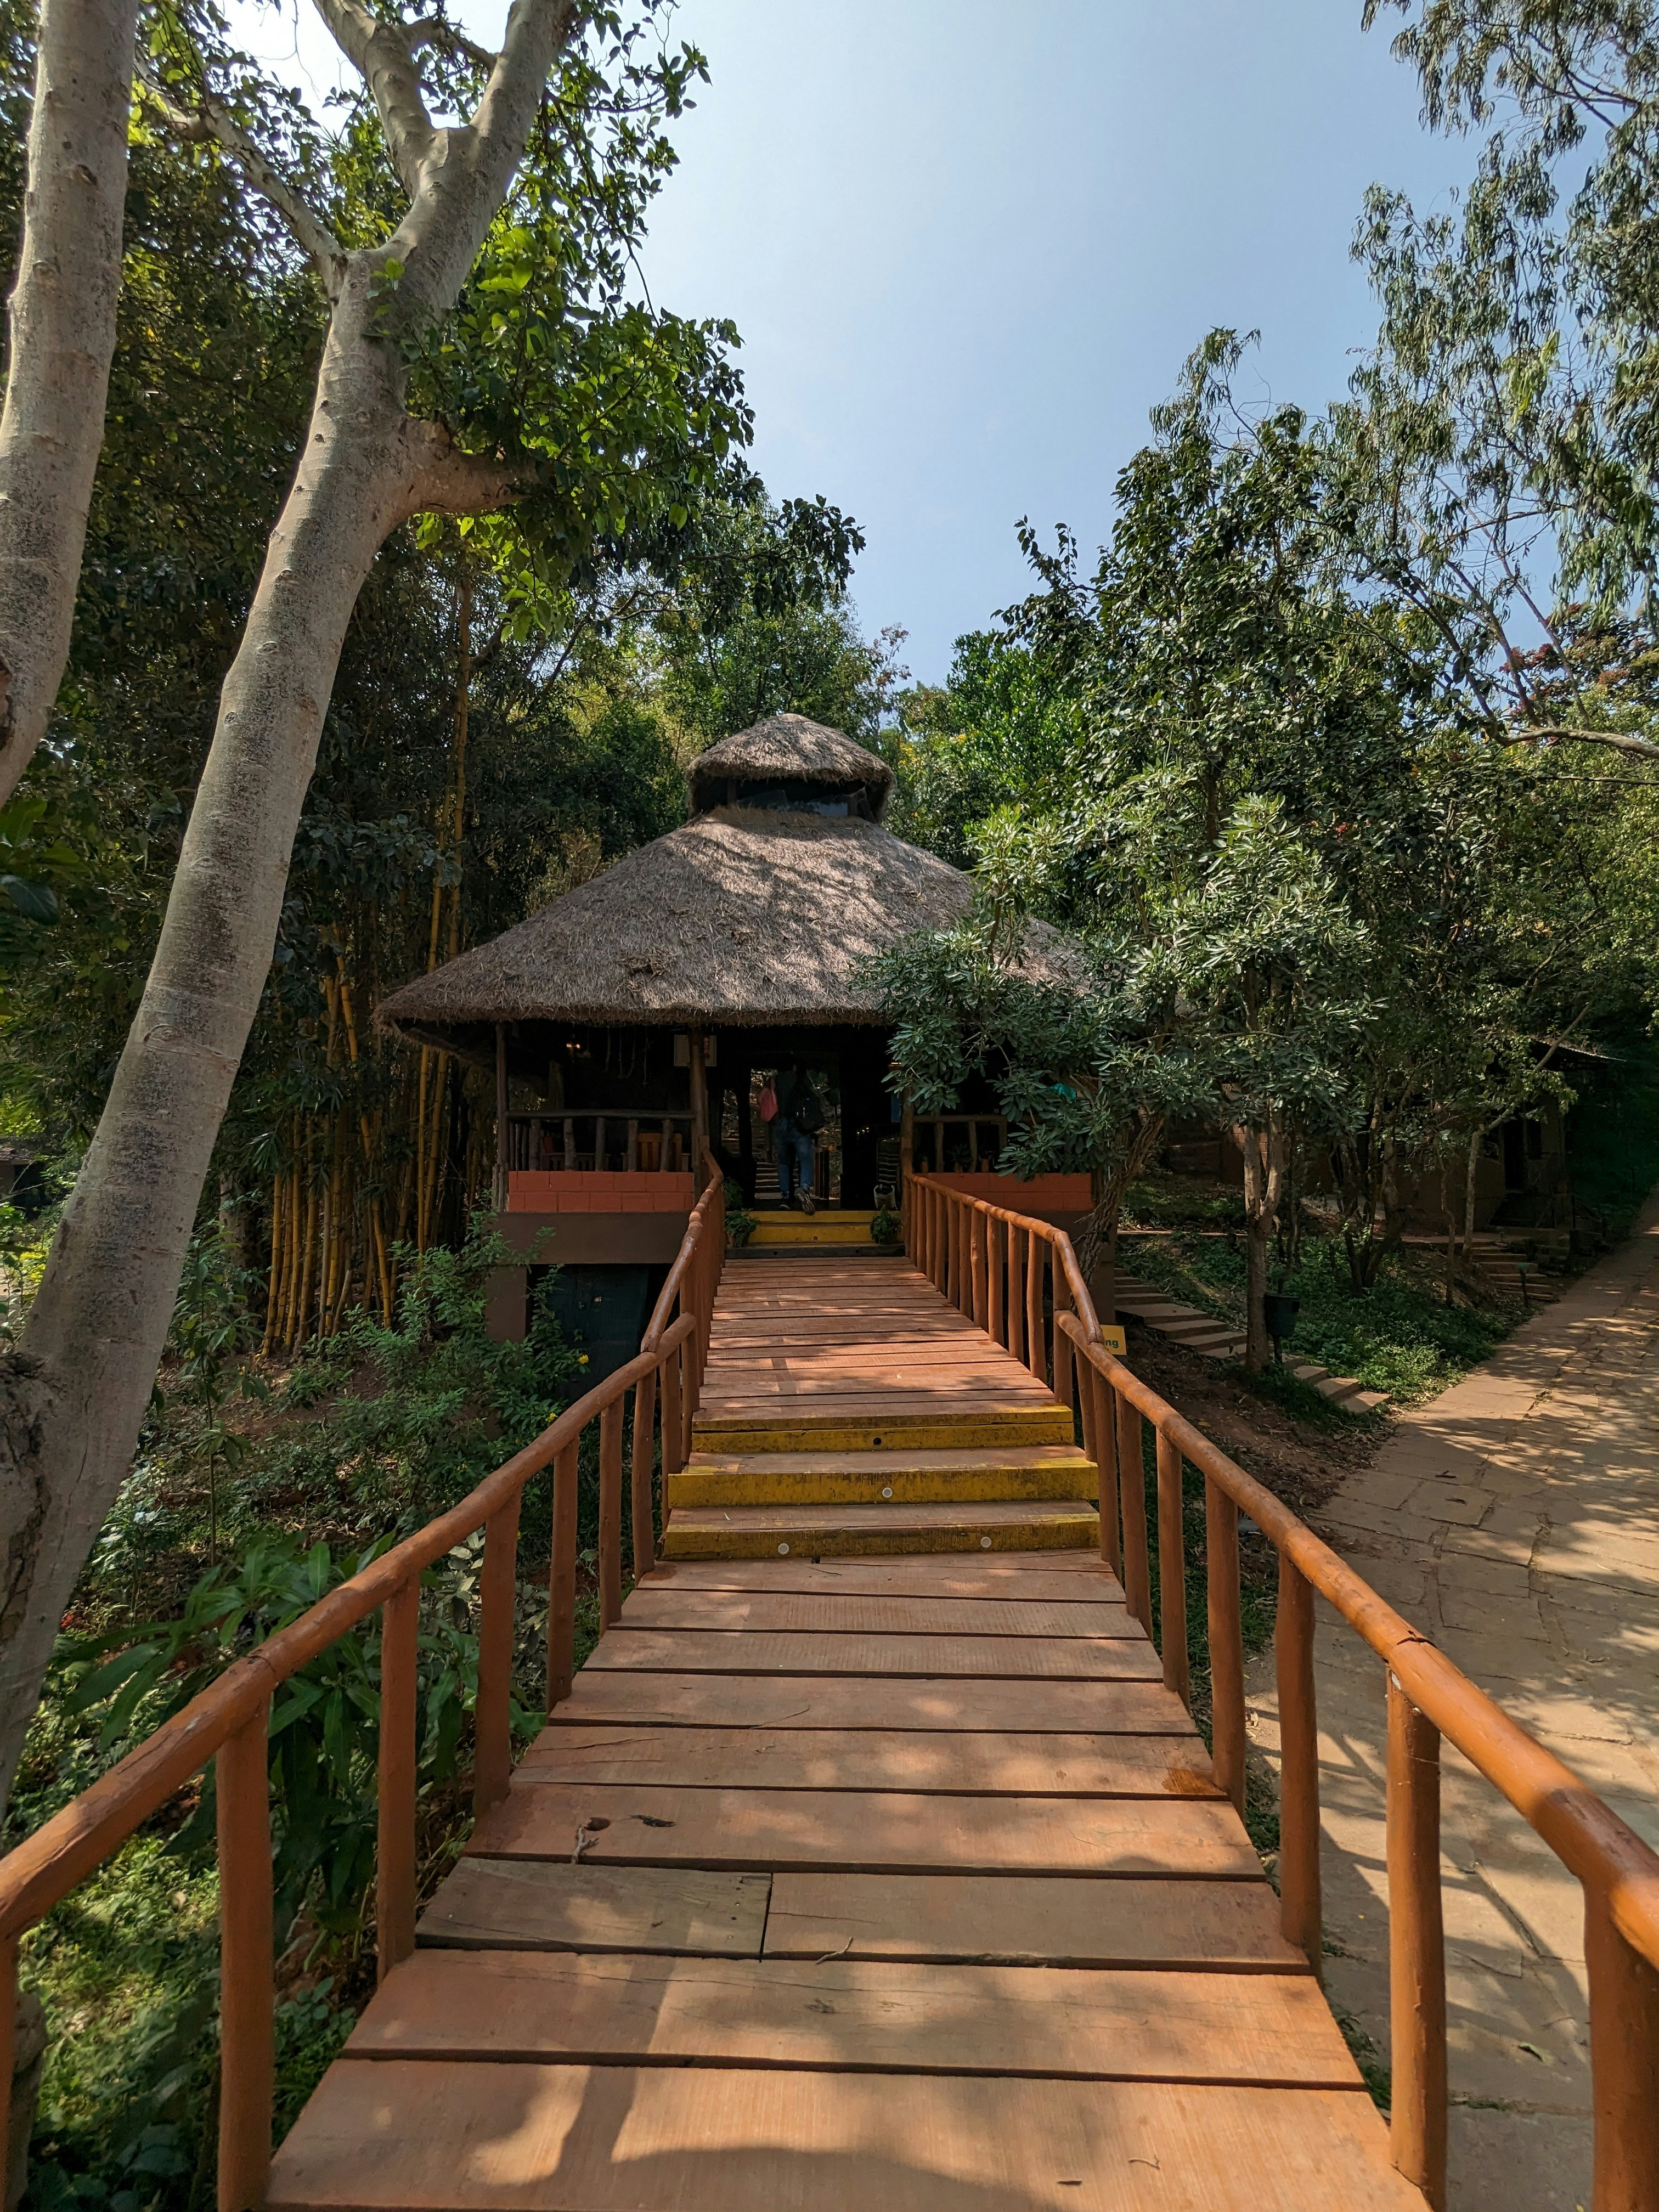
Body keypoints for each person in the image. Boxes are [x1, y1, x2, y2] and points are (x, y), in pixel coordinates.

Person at [771, 1062, 824, 1212]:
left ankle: (785, 1197)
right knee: (806, 1157)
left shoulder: (776, 1080)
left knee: (784, 1162)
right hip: (799, 1126)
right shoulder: (801, 1079)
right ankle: (804, 1188)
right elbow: (812, 1099)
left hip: (781, 1125)